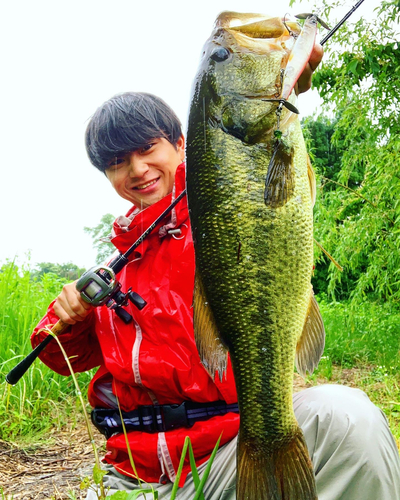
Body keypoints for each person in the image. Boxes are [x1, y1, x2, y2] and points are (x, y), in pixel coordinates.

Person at [31, 43, 400, 500]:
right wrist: (69, 316)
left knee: (347, 417)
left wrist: (280, 92)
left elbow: (268, 169)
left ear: (181, 143)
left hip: (227, 456)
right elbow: (63, 358)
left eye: (148, 149)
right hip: (135, 480)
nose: (138, 169)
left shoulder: (218, 224)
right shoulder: (113, 272)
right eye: (117, 163)